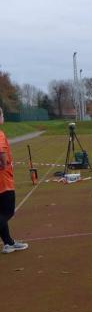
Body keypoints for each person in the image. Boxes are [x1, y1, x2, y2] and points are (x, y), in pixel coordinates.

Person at [0, 107, 29, 254]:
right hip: (3, 181)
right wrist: (3, 163)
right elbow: (1, 153)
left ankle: (8, 243)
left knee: (1, 212)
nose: (3, 117)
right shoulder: (0, 134)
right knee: (8, 212)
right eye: (2, 114)